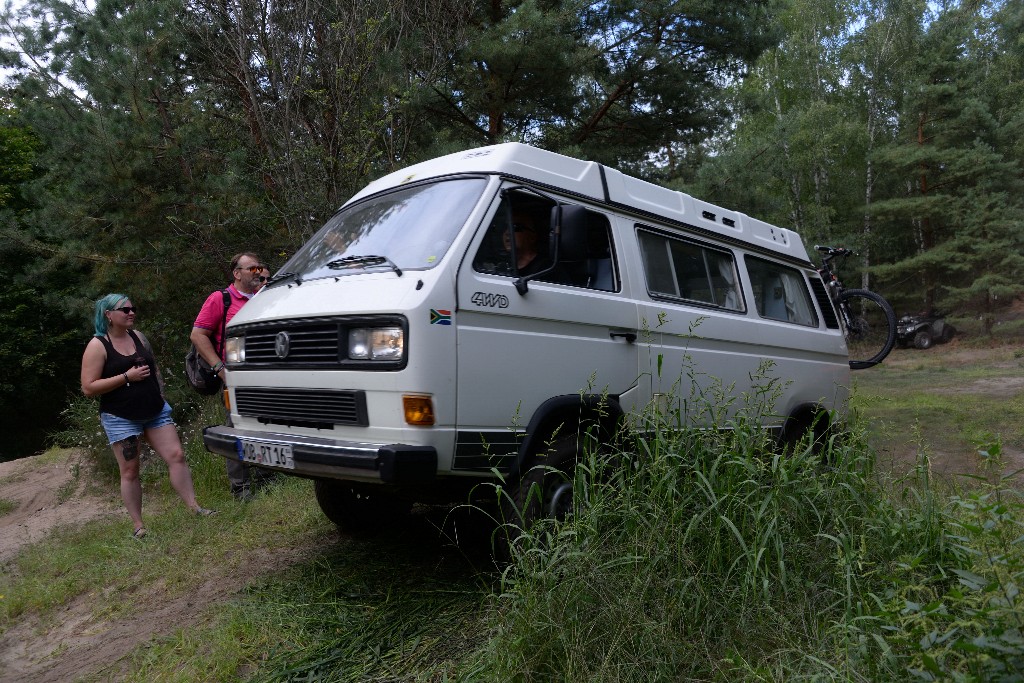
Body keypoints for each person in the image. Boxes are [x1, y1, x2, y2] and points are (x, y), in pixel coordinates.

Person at [81, 294, 215, 539]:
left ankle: (194, 507)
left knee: (176, 455)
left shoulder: (139, 337)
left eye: (133, 308)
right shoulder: (98, 345)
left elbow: (154, 368)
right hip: (120, 416)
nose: (131, 313)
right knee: (130, 470)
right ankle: (139, 525)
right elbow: (88, 387)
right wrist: (126, 378)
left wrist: (161, 394)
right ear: (108, 315)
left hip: (155, 410)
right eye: (125, 309)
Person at [190, 252, 266, 500]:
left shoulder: (264, 296)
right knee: (236, 428)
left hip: (264, 374)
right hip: (234, 376)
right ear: (237, 273)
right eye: (252, 269)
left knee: (264, 425)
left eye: (259, 268)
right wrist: (220, 369)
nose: (257, 273)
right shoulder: (220, 299)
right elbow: (198, 335)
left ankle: (267, 477)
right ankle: (241, 488)